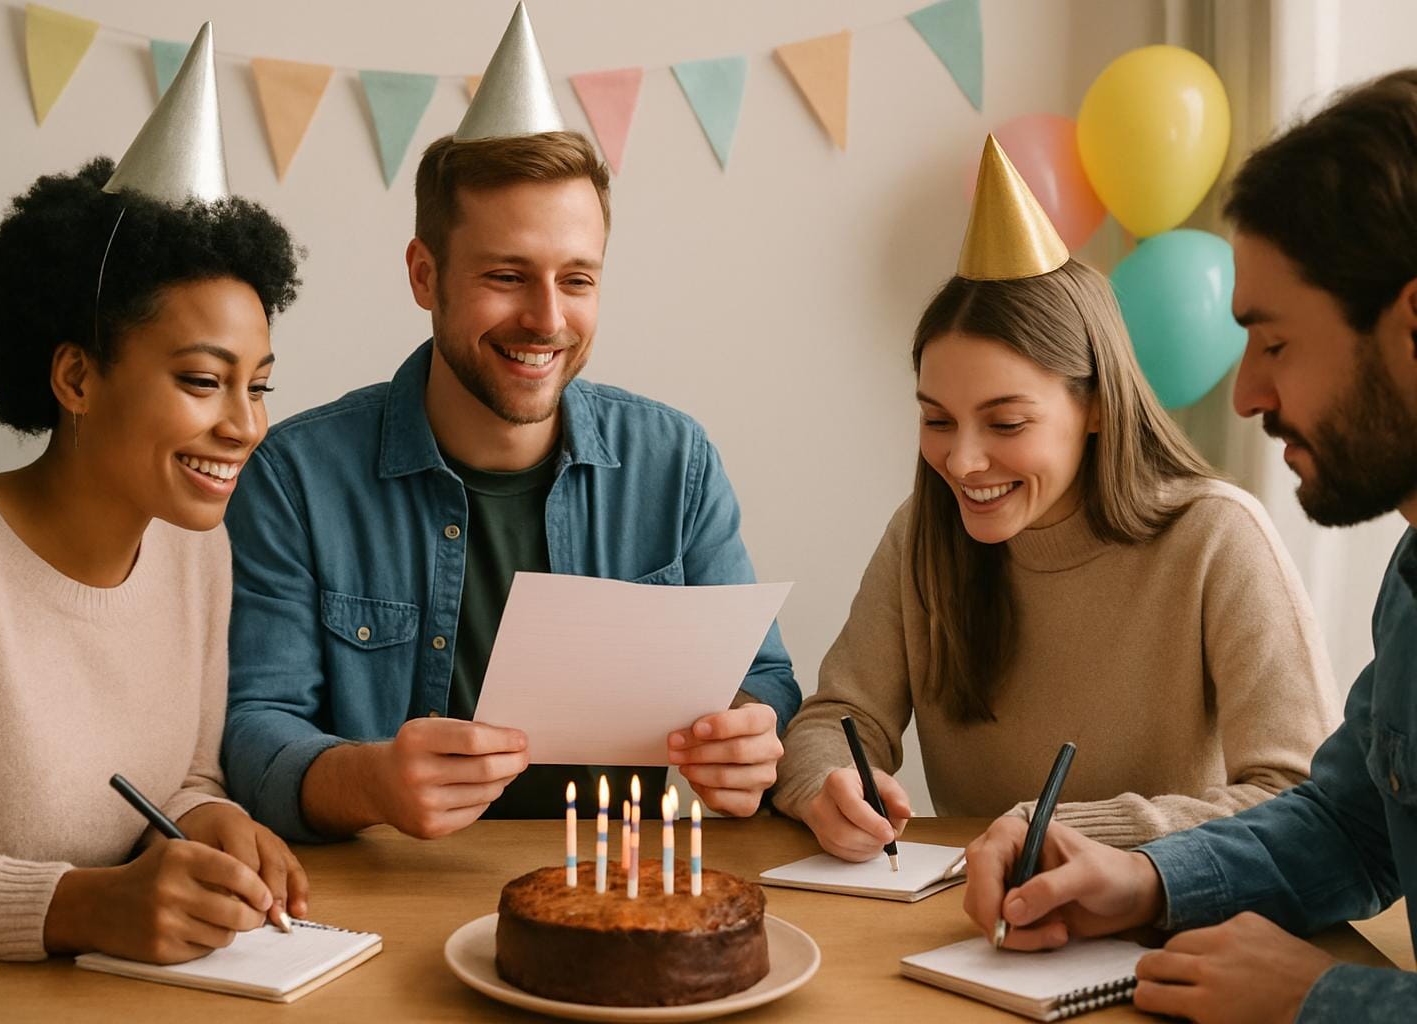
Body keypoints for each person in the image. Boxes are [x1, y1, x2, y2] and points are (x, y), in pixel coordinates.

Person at [222, 6, 798, 843]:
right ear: (426, 274)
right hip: (393, 898)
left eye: (577, 279)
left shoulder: (677, 463)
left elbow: (769, 681)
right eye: (506, 275)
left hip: (626, 896)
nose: (546, 318)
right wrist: (370, 781)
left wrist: (750, 733)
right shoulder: (296, 476)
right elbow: (253, 729)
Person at [961, 70, 1417, 1022]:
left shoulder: (1218, 534)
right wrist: (1143, 881)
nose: (1245, 393)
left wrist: (1323, 998)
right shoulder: (1411, 583)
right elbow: (1350, 826)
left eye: (1276, 343)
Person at [0, 29, 307, 995]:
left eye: (261, 386)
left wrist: (211, 821)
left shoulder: (197, 553)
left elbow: (182, 781)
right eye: (204, 381)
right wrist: (81, 904)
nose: (245, 426)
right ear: (76, 375)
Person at [771, 137, 1339, 860]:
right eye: (936, 419)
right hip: (972, 924)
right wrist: (827, 781)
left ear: (1096, 407)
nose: (963, 460)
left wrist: (1072, 837)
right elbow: (838, 716)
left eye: (1006, 422)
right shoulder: (921, 534)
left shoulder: (1216, 537)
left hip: (1155, 930)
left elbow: (1298, 797)